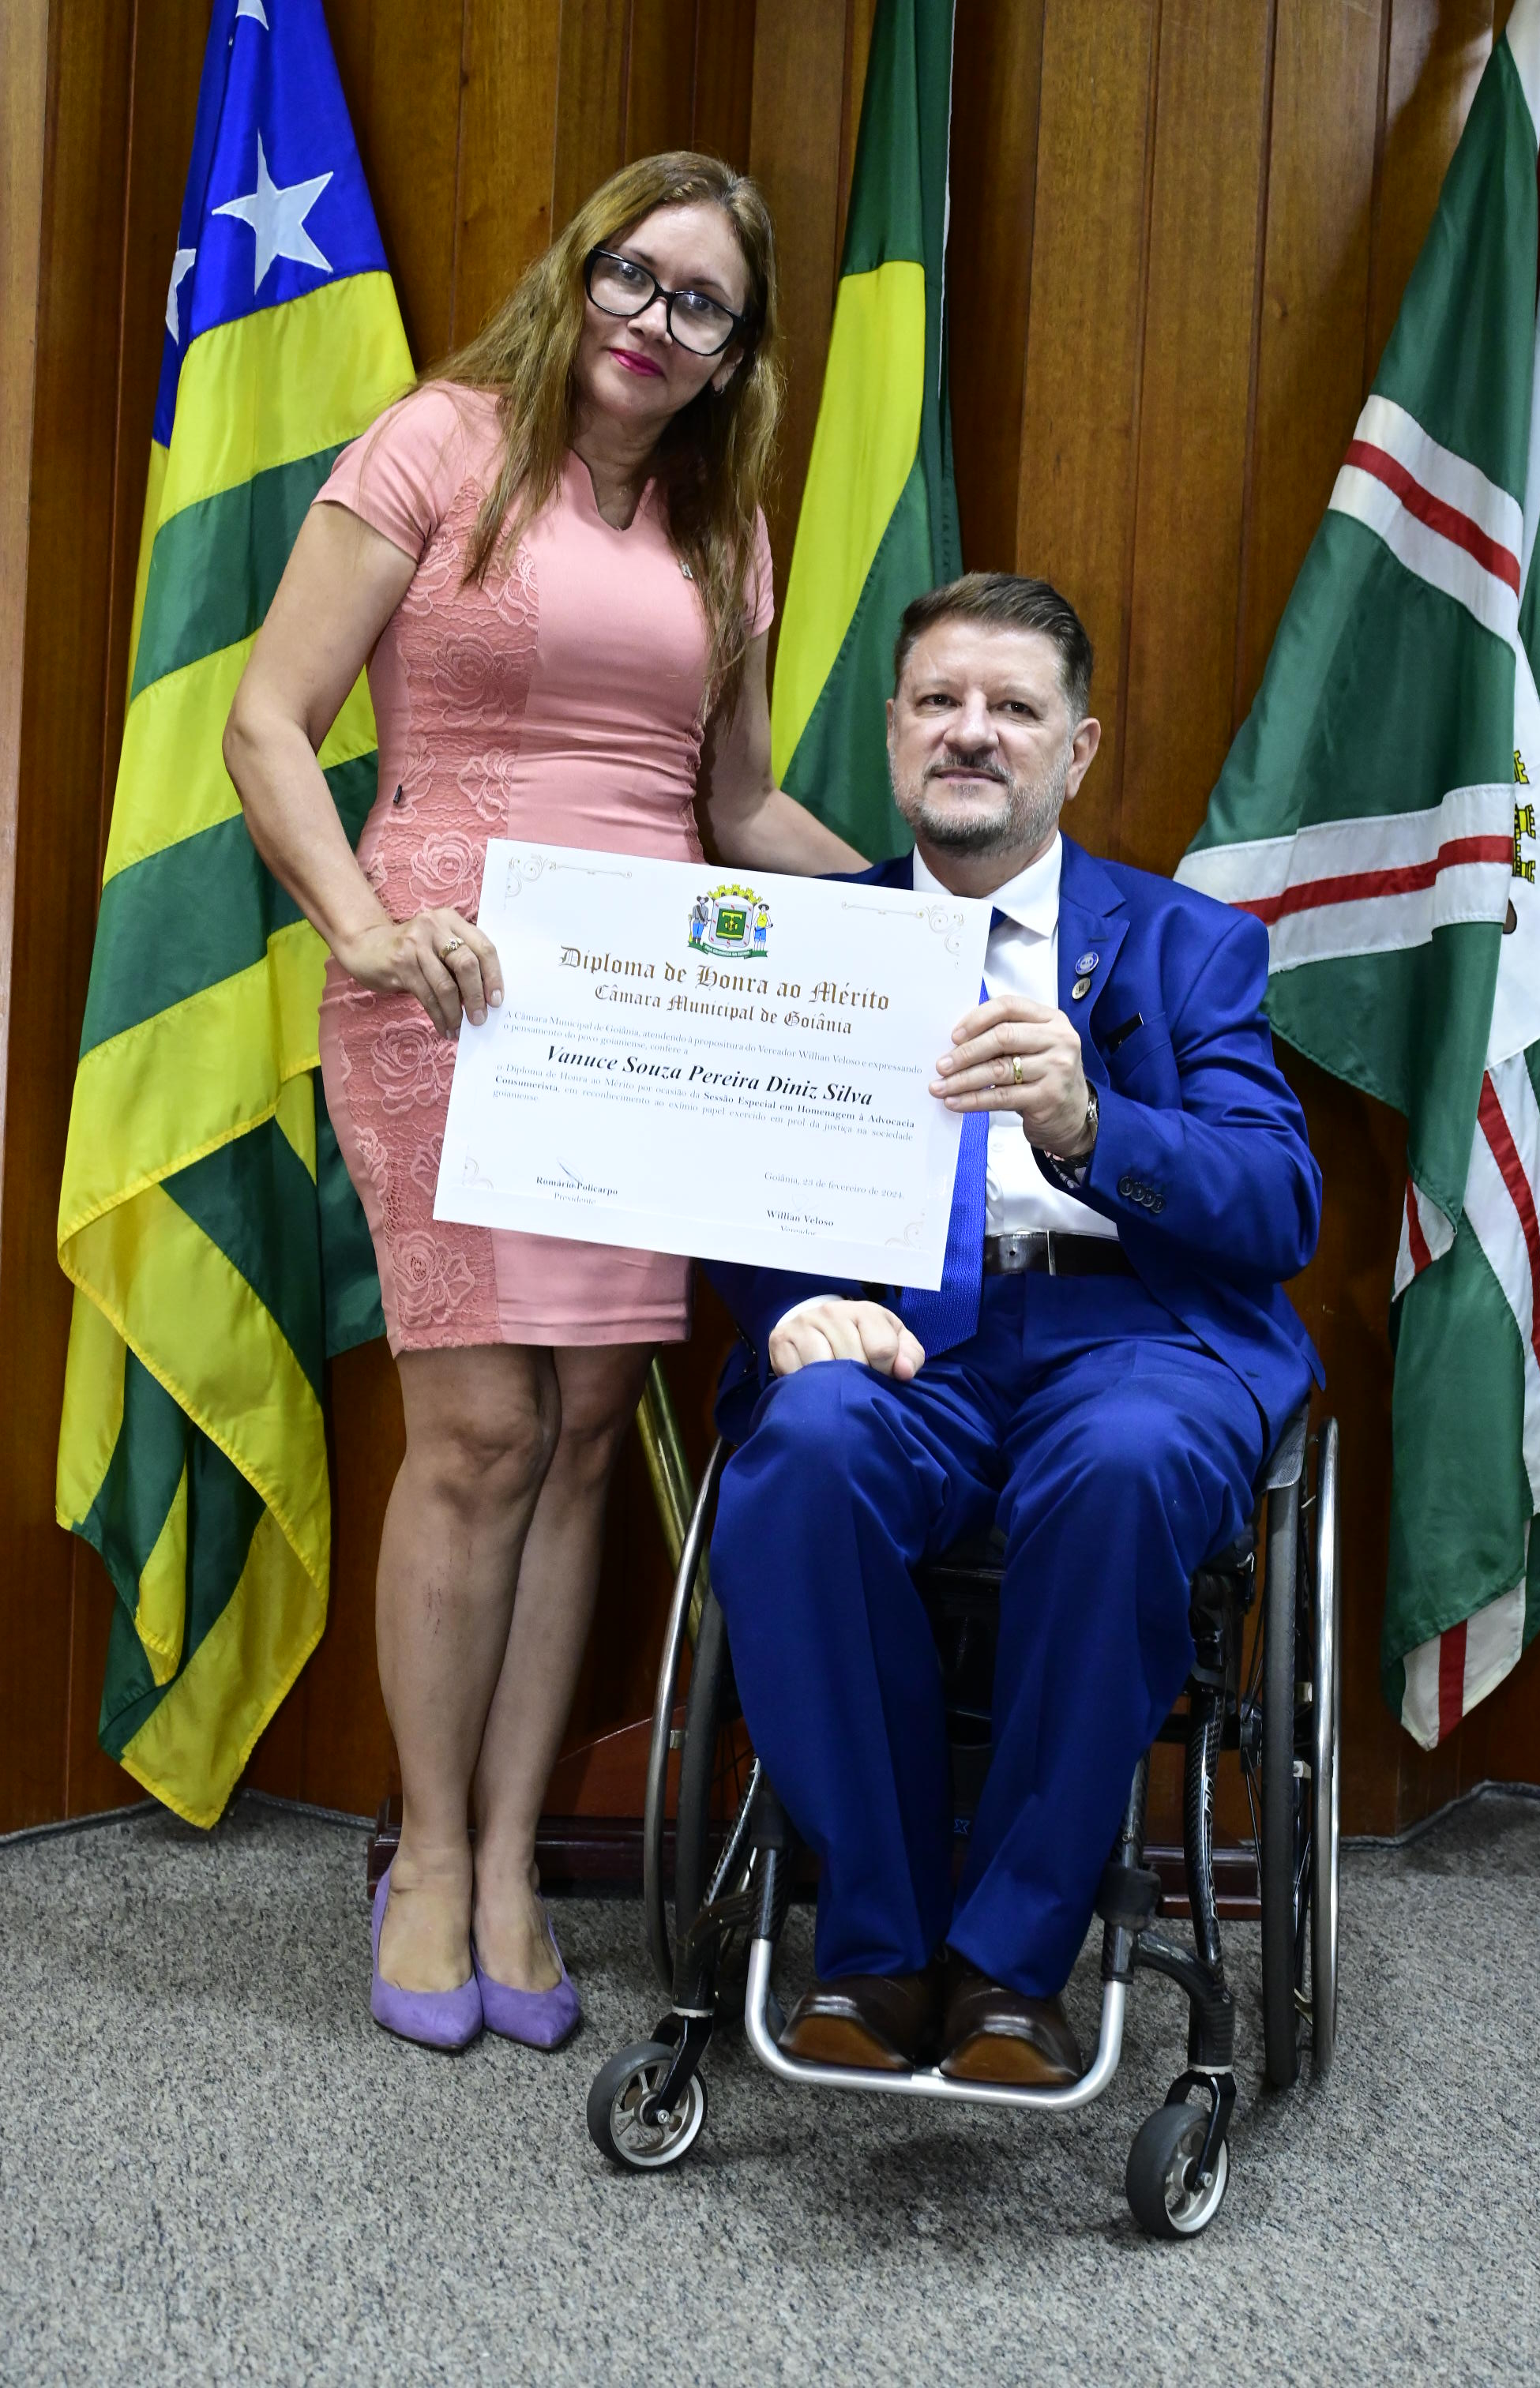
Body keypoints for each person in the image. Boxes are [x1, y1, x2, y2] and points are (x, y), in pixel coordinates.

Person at [225, 153, 862, 2053]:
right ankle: (427, 1859)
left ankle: (511, 1861)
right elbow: (267, 720)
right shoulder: (436, 443)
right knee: (483, 1432)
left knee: (586, 1430)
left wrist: (940, 929)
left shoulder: (727, 529)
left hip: (639, 1021)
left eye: (703, 304)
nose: (656, 323)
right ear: (580, 269)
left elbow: (736, 807)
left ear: (737, 352)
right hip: (445, 989)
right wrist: (365, 927)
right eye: (635, 275)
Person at [705, 573, 1322, 2085]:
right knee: (806, 1447)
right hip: (905, 1335)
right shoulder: (810, 939)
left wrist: (1095, 1123)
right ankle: (876, 1944)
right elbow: (726, 1178)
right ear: (895, 732)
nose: (971, 732)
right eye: (940, 701)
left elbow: (1279, 1202)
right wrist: (792, 1306)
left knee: (1124, 1465)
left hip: (1134, 1336)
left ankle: (1011, 1965)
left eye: (1013, 708)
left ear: (1077, 748)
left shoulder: (1188, 945)